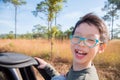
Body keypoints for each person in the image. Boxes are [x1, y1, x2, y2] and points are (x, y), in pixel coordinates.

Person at [35, 12, 109, 80]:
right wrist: (47, 67)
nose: (81, 43)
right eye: (77, 36)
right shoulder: (79, 70)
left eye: (90, 39)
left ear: (101, 47)